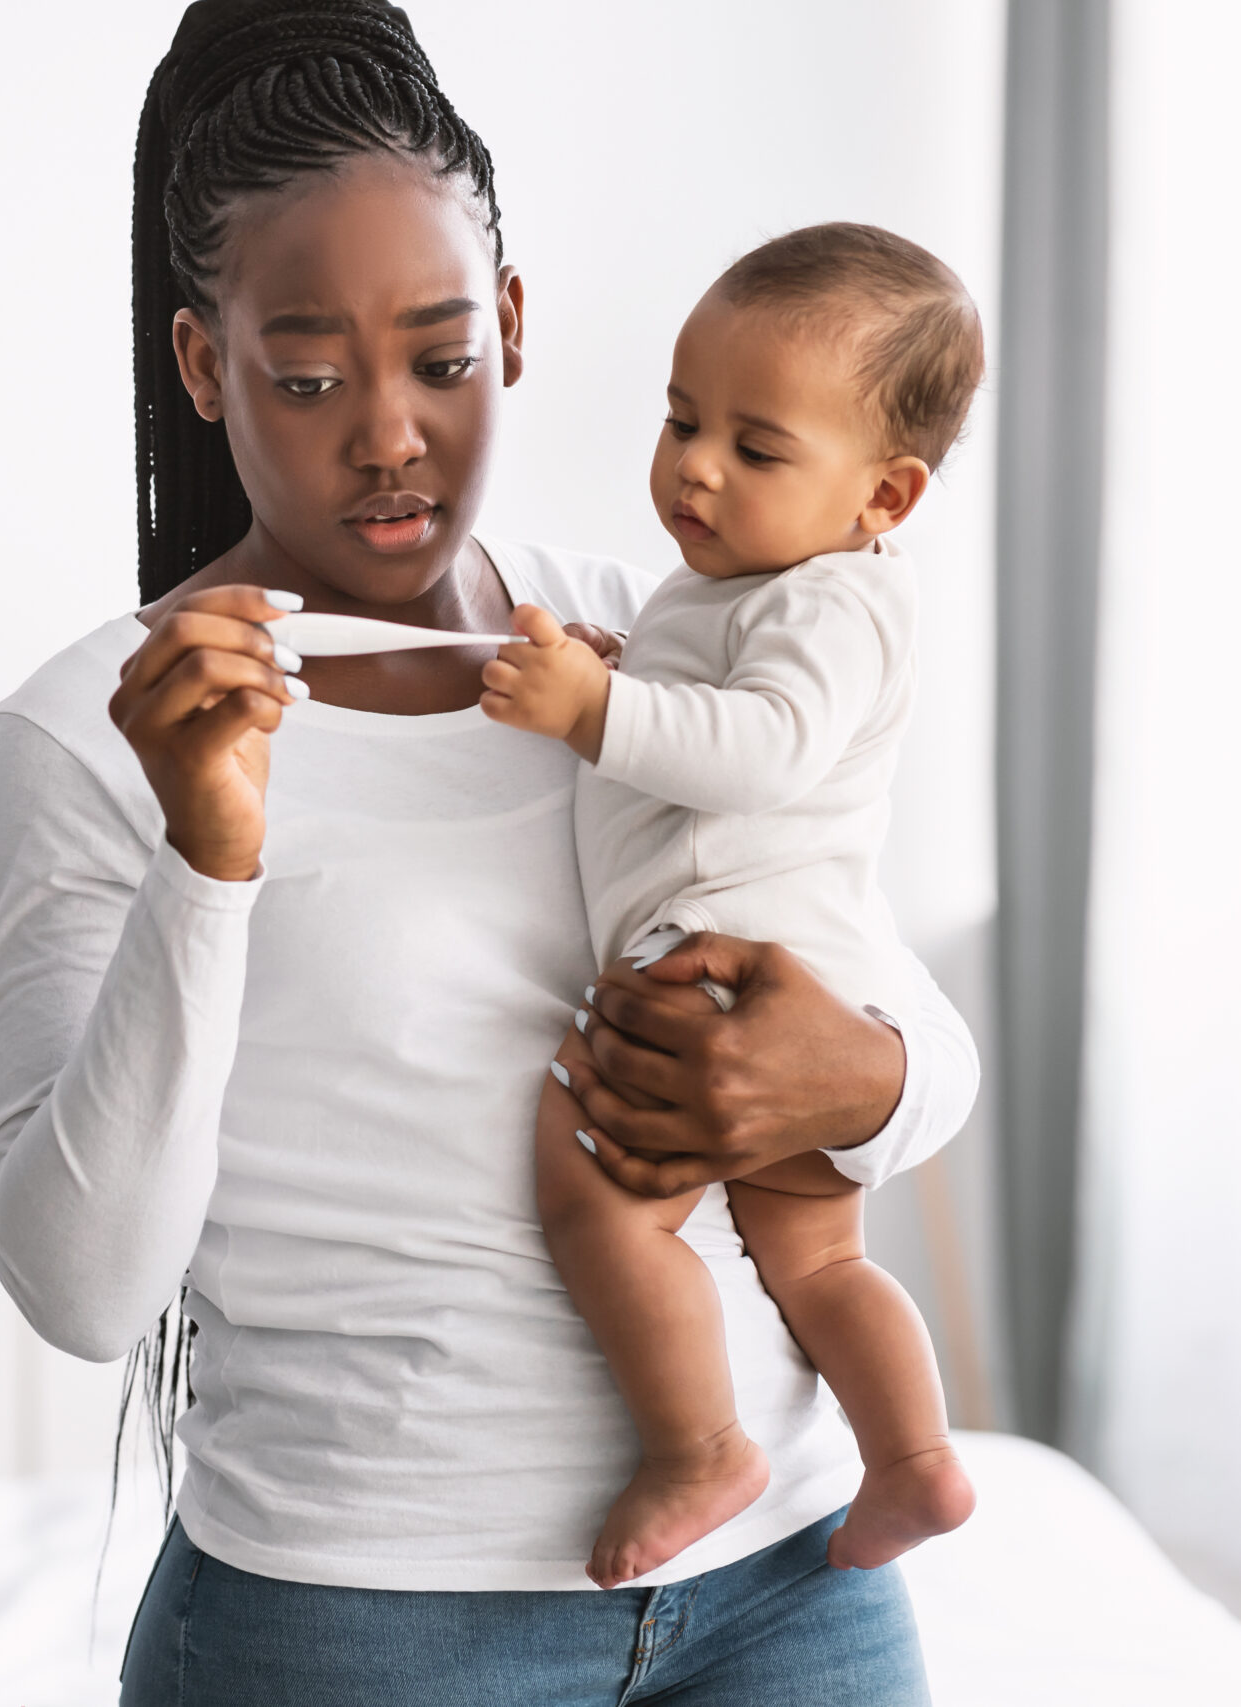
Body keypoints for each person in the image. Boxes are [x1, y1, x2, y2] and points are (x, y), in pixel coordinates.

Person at [0, 3, 976, 1700]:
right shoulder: (96, 733)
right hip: (366, 1621)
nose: (388, 434)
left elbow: (904, 1029)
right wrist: (207, 865)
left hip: (793, 1580)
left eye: (442, 358)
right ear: (205, 367)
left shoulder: (659, 638)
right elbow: (82, 1288)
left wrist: (854, 1084)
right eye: (306, 376)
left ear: (510, 325)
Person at [480, 224, 986, 1589]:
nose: (695, 465)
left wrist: (597, 709)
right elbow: (703, 713)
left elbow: (755, 750)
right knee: (818, 1265)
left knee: (593, 1198)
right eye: (680, 418)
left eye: (756, 450)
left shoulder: (835, 606)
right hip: (791, 977)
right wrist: (619, 664)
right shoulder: (739, 588)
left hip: (717, 975)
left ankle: (698, 1443)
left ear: (885, 498)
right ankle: (915, 1457)